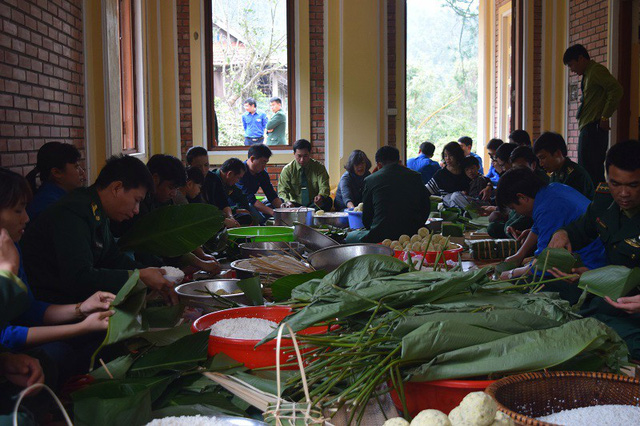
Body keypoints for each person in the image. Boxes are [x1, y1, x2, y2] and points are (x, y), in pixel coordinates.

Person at [0, 168, 115, 384]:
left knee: (99, 337)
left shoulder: (12, 247)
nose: (26, 218)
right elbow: (5, 334)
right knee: (56, 354)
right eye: (18, 211)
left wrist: (82, 308)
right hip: (11, 346)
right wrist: (79, 327)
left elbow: (30, 310)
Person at [21, 155, 176, 305]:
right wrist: (138, 276)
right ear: (116, 188)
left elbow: (112, 258)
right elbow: (79, 278)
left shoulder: (96, 209)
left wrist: (151, 274)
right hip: (51, 308)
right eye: (136, 200)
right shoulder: (73, 212)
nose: (136, 210)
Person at [548, 140, 640, 357]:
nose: (623, 193)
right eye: (616, 183)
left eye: (633, 185)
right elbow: (581, 229)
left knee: (601, 328)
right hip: (611, 295)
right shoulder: (603, 200)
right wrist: (563, 233)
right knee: (550, 297)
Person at [496, 167, 607, 303]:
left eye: (514, 208)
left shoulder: (548, 208)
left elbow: (545, 263)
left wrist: (512, 274)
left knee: (530, 284)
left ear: (522, 197)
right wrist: (519, 255)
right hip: (592, 257)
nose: (516, 213)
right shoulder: (552, 189)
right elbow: (537, 228)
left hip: (590, 267)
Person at [563, 44, 623, 185]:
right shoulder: (588, 74)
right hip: (588, 128)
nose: (572, 69)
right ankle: (592, 203)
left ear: (581, 58)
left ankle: (598, 204)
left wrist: (605, 116)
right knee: (587, 171)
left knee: (592, 172)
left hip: (594, 128)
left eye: (572, 65)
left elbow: (616, 90)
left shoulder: (596, 71)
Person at [345, 146, 430, 243]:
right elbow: (426, 208)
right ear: (399, 161)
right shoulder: (416, 176)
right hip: (413, 233)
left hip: (381, 235)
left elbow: (367, 218)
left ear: (379, 165)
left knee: (350, 237)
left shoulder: (370, 180)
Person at [25, 142, 85, 222]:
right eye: (76, 167)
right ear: (56, 173)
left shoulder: (57, 197)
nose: (82, 172)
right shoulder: (51, 206)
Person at [533, 132, 594, 199]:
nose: (541, 164)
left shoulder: (576, 175)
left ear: (558, 153)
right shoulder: (554, 174)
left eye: (543, 158)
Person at [278, 139, 332, 211]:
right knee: (278, 203)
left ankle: (306, 213)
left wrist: (321, 196)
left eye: (305, 156)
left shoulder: (319, 167)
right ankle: (304, 213)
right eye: (299, 156)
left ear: (310, 153)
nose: (302, 160)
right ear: (294, 154)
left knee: (328, 201)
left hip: (313, 203)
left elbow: (324, 186)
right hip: (294, 204)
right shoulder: (287, 170)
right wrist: (287, 202)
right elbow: (282, 191)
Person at [237, 144, 283, 224]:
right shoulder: (240, 172)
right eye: (263, 163)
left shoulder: (262, 173)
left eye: (266, 163)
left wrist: (284, 210)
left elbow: (271, 195)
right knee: (252, 208)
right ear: (252, 159)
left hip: (252, 203)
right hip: (240, 204)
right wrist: (274, 213)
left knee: (280, 202)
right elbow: (250, 199)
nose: (264, 166)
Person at [202, 158, 253, 227]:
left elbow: (242, 198)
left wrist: (236, 213)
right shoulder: (213, 180)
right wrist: (235, 210)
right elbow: (213, 207)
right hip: (211, 217)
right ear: (230, 174)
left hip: (225, 214)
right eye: (238, 178)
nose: (238, 181)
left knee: (246, 217)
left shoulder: (228, 183)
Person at [426, 142, 471, 208]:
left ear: (457, 156)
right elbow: (426, 191)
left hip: (468, 204)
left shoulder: (466, 170)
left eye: (451, 155)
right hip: (450, 209)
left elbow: (480, 178)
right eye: (445, 156)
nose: (448, 158)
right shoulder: (441, 174)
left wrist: (488, 186)